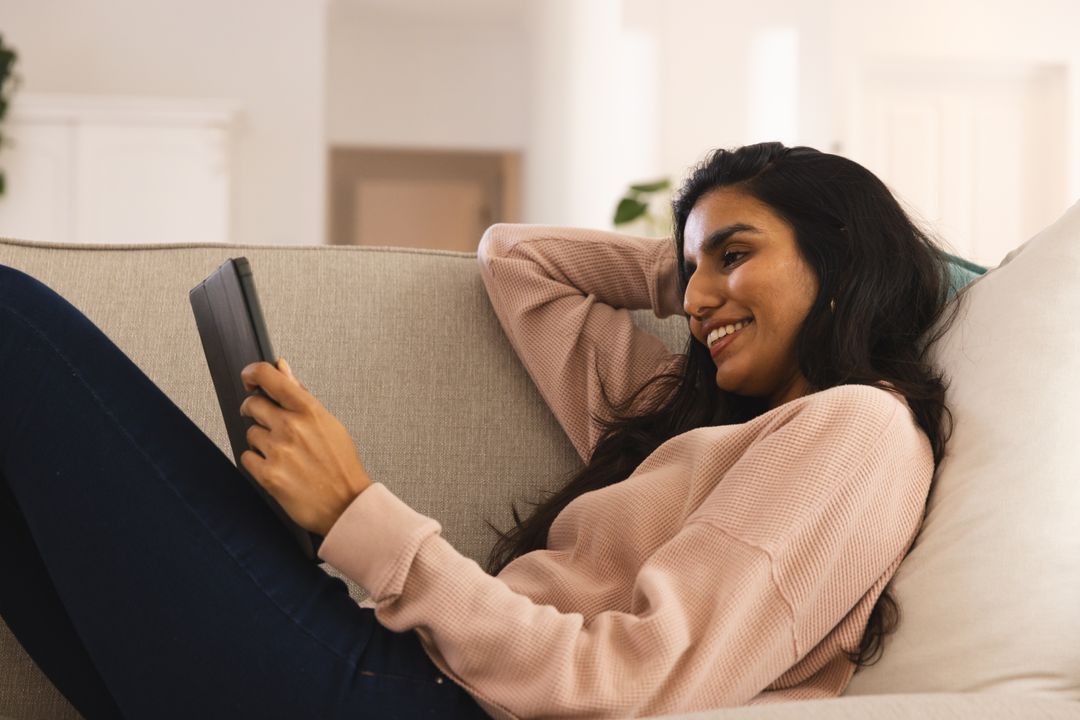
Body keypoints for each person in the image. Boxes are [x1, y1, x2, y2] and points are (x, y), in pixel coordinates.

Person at [0, 141, 959, 719]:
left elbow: (629, 687)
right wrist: (693, 270)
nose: (700, 298)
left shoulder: (859, 433)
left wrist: (356, 512)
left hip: (423, 703)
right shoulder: (691, 411)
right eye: (693, 270)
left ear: (841, 254)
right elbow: (517, 263)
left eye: (736, 255)